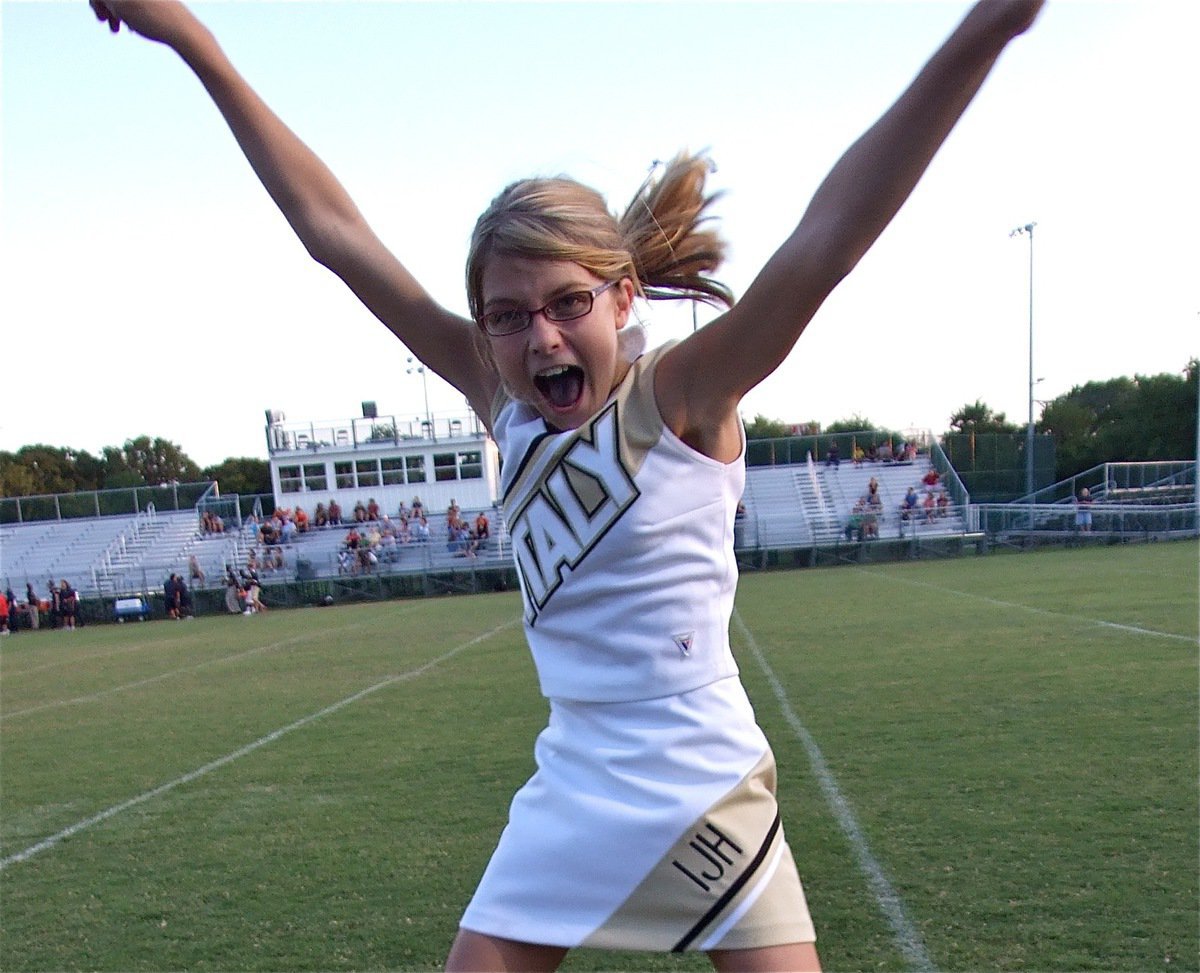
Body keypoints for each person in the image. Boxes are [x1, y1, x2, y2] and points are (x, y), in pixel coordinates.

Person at [88, 2, 1043, 969]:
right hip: (576, 780)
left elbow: (826, 241)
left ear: (623, 297)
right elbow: (334, 234)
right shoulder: (497, 396)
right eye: (507, 316)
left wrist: (986, 31)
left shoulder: (681, 395)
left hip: (702, 779)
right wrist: (193, 39)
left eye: (567, 303)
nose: (539, 336)